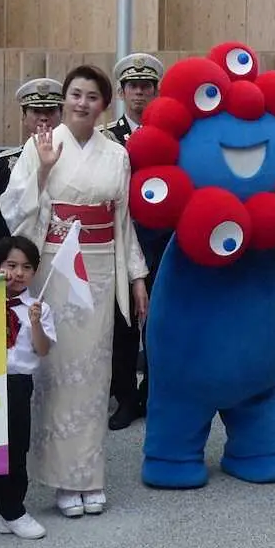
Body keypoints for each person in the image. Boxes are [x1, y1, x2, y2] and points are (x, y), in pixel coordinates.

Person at [0, 64, 149, 518]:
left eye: (92, 96)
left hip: (101, 269)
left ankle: (88, 474)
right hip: (55, 268)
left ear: (105, 104)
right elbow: (14, 212)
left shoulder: (116, 154)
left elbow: (123, 222)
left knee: (92, 374)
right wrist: (43, 173)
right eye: (76, 95)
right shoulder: (40, 146)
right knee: (56, 373)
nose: (83, 103)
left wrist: (137, 278)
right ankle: (62, 479)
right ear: (65, 100)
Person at [103, 53, 169, 430]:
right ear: (123, 92)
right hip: (123, 237)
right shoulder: (108, 138)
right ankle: (125, 396)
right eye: (133, 87)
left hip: (163, 239)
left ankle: (154, 392)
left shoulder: (170, 135)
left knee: (161, 321)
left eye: (146, 87)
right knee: (123, 323)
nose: (140, 93)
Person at [0, 235, 56, 539]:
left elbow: (42, 350)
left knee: (17, 447)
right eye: (10, 265)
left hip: (18, 383)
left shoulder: (38, 307)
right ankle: (13, 511)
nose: (18, 273)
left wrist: (36, 322)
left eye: (26, 267)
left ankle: (11, 507)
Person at [0, 77, 64, 251]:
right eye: (36, 111)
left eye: (51, 111)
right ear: (24, 117)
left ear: (61, 114)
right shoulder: (3, 163)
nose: (44, 118)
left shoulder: (71, 157)